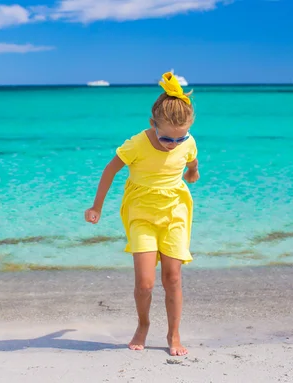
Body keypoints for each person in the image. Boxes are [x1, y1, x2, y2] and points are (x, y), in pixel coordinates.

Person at [84, 72, 200, 356]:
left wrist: (193, 171)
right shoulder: (137, 143)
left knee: (172, 278)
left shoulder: (186, 141)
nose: (173, 144)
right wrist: (96, 206)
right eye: (166, 138)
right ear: (152, 125)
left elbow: (192, 159)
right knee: (145, 283)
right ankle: (143, 324)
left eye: (179, 138)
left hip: (174, 212)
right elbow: (110, 170)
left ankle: (173, 333)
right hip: (141, 216)